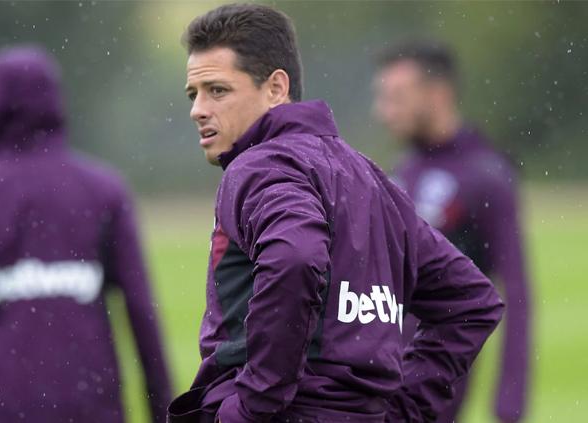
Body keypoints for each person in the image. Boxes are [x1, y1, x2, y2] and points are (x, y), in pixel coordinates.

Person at [167, 4, 505, 423]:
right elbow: (470, 300)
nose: (198, 109)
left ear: (275, 87)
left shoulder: (256, 166)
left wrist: (255, 402)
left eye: (217, 90)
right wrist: (406, 410)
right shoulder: (369, 176)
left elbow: (295, 258)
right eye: (193, 94)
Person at [0, 46, 172, 423]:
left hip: (2, 404)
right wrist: (162, 408)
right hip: (90, 403)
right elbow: (142, 313)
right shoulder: (105, 191)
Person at [372, 40, 531, 422]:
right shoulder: (402, 171)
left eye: (396, 97)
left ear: (438, 94)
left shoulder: (486, 177)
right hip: (370, 383)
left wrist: (508, 407)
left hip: (426, 391)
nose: (384, 111)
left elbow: (517, 293)